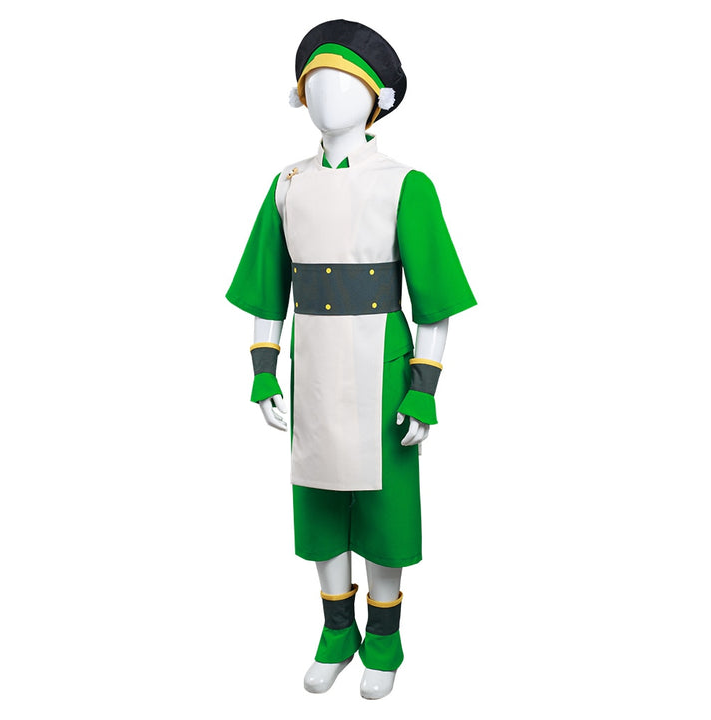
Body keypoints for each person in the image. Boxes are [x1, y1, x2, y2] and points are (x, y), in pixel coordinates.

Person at [226, 19, 477, 700]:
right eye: (315, 83)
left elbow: (434, 302)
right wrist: (262, 370)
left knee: (385, 509)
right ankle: (337, 630)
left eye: (343, 82)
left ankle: (386, 637)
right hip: (313, 366)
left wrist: (423, 388)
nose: (327, 95)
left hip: (382, 365)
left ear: (377, 99)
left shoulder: (405, 184)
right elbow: (267, 289)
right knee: (318, 502)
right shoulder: (286, 185)